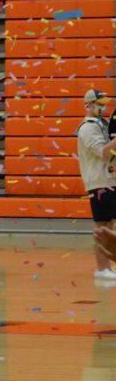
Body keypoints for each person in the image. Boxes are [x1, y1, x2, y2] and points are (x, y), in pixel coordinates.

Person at [76, 89, 116, 281]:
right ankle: (101, 268)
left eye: (104, 103)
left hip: (108, 180)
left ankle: (107, 267)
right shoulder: (88, 128)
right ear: (88, 105)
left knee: (109, 224)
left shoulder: (103, 124)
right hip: (98, 182)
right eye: (99, 104)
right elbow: (103, 152)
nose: (104, 107)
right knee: (102, 226)